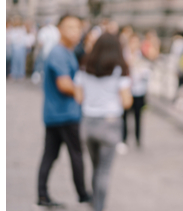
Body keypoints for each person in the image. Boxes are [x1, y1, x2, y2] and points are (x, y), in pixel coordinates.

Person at [74, 33, 133, 211]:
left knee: (96, 166)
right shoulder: (119, 69)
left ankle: (94, 202)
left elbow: (78, 97)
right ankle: (99, 207)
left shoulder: (85, 66)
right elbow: (127, 101)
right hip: (109, 123)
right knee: (104, 170)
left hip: (88, 123)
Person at [36, 14, 90, 207]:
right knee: (76, 154)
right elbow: (64, 84)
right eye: (70, 27)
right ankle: (83, 194)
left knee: (50, 155)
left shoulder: (66, 51)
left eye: (77, 28)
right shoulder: (59, 53)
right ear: (59, 29)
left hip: (55, 113)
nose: (75, 32)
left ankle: (42, 195)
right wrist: (81, 92)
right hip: (65, 114)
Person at [121, 33, 152, 149]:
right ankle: (124, 138)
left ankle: (138, 139)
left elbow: (148, 71)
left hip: (139, 90)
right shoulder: (124, 56)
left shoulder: (142, 56)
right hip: (127, 90)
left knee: (138, 116)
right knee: (125, 116)